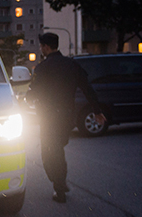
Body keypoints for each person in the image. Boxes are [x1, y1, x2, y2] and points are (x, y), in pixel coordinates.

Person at [26, 32, 104, 203]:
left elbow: (34, 91)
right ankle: (60, 182)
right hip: (67, 116)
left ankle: (59, 185)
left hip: (48, 116)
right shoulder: (72, 65)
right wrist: (97, 110)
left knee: (48, 154)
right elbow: (87, 88)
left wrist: (25, 99)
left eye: (41, 46)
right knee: (58, 149)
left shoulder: (43, 67)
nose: (41, 49)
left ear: (46, 47)